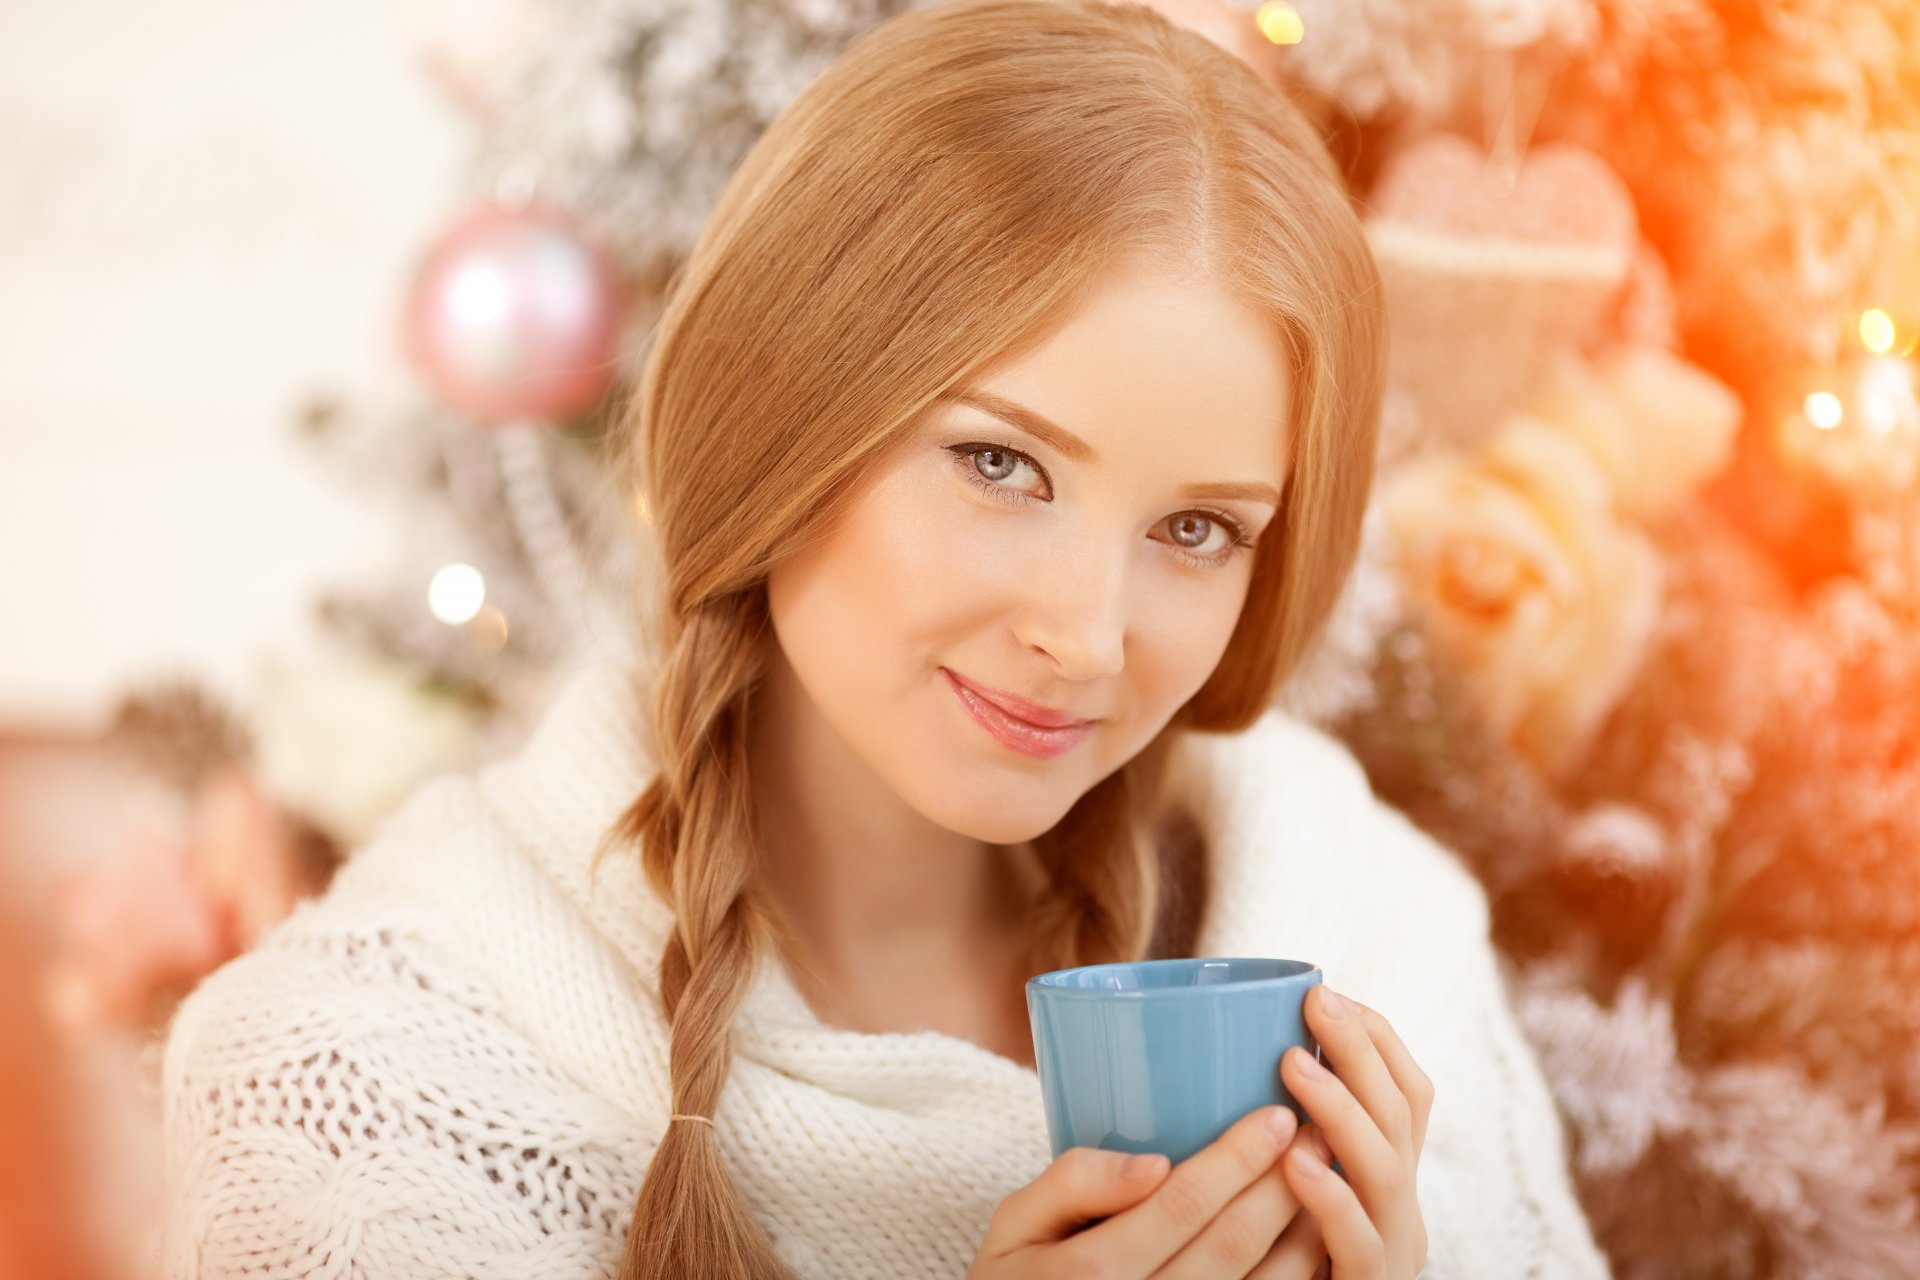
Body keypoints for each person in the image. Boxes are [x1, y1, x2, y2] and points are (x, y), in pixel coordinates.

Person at [159, 1, 1613, 1277]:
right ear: (784, 421)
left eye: (1197, 530)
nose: (1086, 638)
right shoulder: (357, 1076)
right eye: (1000, 466)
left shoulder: (1379, 940)